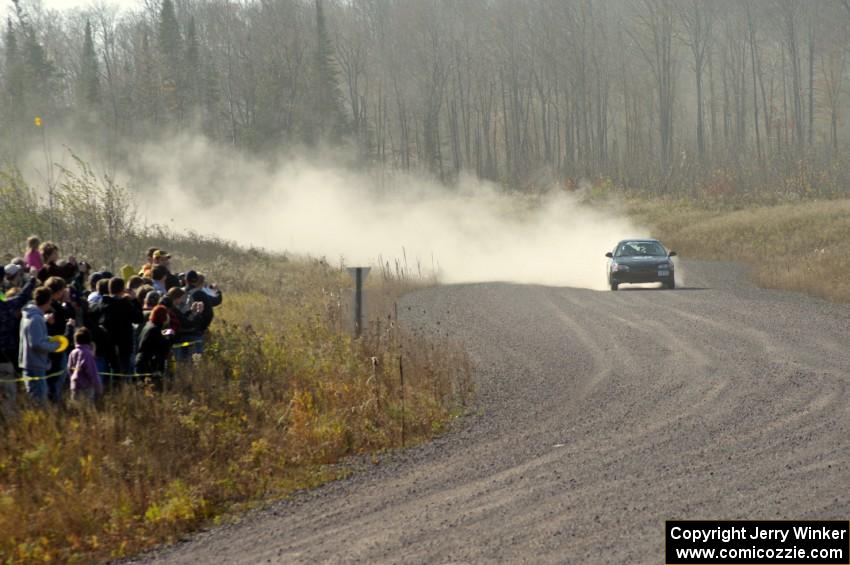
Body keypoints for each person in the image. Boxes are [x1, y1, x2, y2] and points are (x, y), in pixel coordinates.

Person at [89, 277, 143, 380]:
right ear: (122, 289)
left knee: (107, 373)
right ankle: (123, 392)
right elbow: (138, 318)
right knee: (124, 373)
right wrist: (135, 300)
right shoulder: (125, 304)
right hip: (124, 345)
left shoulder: (101, 304)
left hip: (106, 344)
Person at [19, 287, 62, 404]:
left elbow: (36, 337)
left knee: (36, 398)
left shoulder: (29, 315)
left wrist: (50, 338)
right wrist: (55, 346)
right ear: (48, 301)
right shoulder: (36, 318)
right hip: (36, 364)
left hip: (30, 362)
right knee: (39, 400)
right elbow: (37, 344)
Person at [0, 274, 36, 410]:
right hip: (6, 357)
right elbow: (22, 297)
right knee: (9, 395)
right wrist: (32, 280)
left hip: (6, 357)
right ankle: (10, 423)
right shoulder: (5, 307)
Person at [43, 277, 76, 403]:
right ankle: (53, 404)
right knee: (56, 381)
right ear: (58, 292)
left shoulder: (49, 306)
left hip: (50, 349)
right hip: (56, 348)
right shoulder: (54, 308)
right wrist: (67, 302)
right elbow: (68, 315)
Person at [135, 305, 175, 387]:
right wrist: (170, 337)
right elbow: (164, 347)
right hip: (149, 365)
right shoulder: (155, 330)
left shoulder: (149, 325)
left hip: (141, 361)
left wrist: (164, 333)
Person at [67, 327, 102, 405]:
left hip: (74, 387)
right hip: (86, 389)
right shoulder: (87, 354)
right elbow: (92, 373)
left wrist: (72, 381)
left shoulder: (72, 353)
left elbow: (69, 369)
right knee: (87, 412)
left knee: (76, 411)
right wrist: (98, 387)